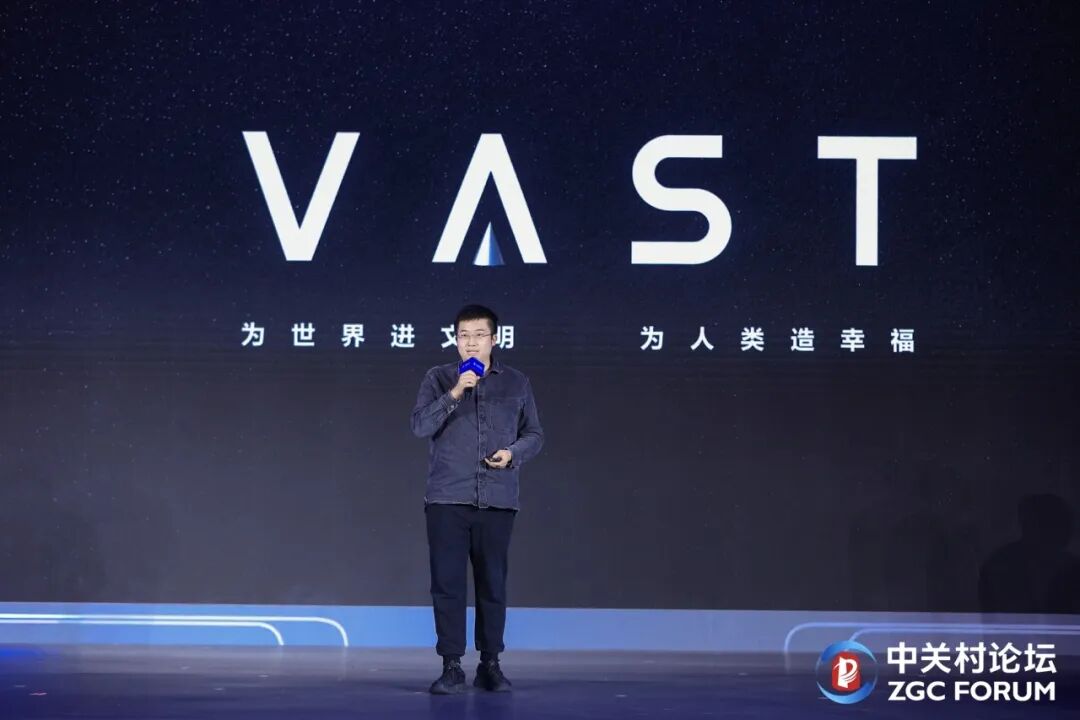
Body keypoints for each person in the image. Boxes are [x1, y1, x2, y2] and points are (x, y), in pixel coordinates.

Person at [410, 304, 544, 694]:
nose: (471, 343)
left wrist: (512, 454)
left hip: (498, 498)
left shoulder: (516, 382)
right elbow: (420, 425)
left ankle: (490, 664)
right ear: (456, 340)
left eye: (479, 335)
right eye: (464, 336)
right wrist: (456, 392)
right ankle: (452, 665)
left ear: (494, 339)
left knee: (492, 585)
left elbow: (534, 434)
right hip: (447, 498)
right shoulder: (438, 378)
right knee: (447, 584)